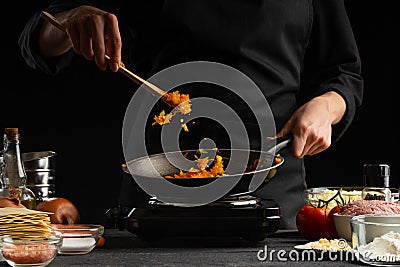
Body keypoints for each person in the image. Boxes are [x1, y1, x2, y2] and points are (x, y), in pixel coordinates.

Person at [18, 0, 363, 229]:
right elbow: (37, 41)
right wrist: (70, 20)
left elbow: (344, 73)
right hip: (156, 203)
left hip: (270, 197)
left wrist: (327, 106)